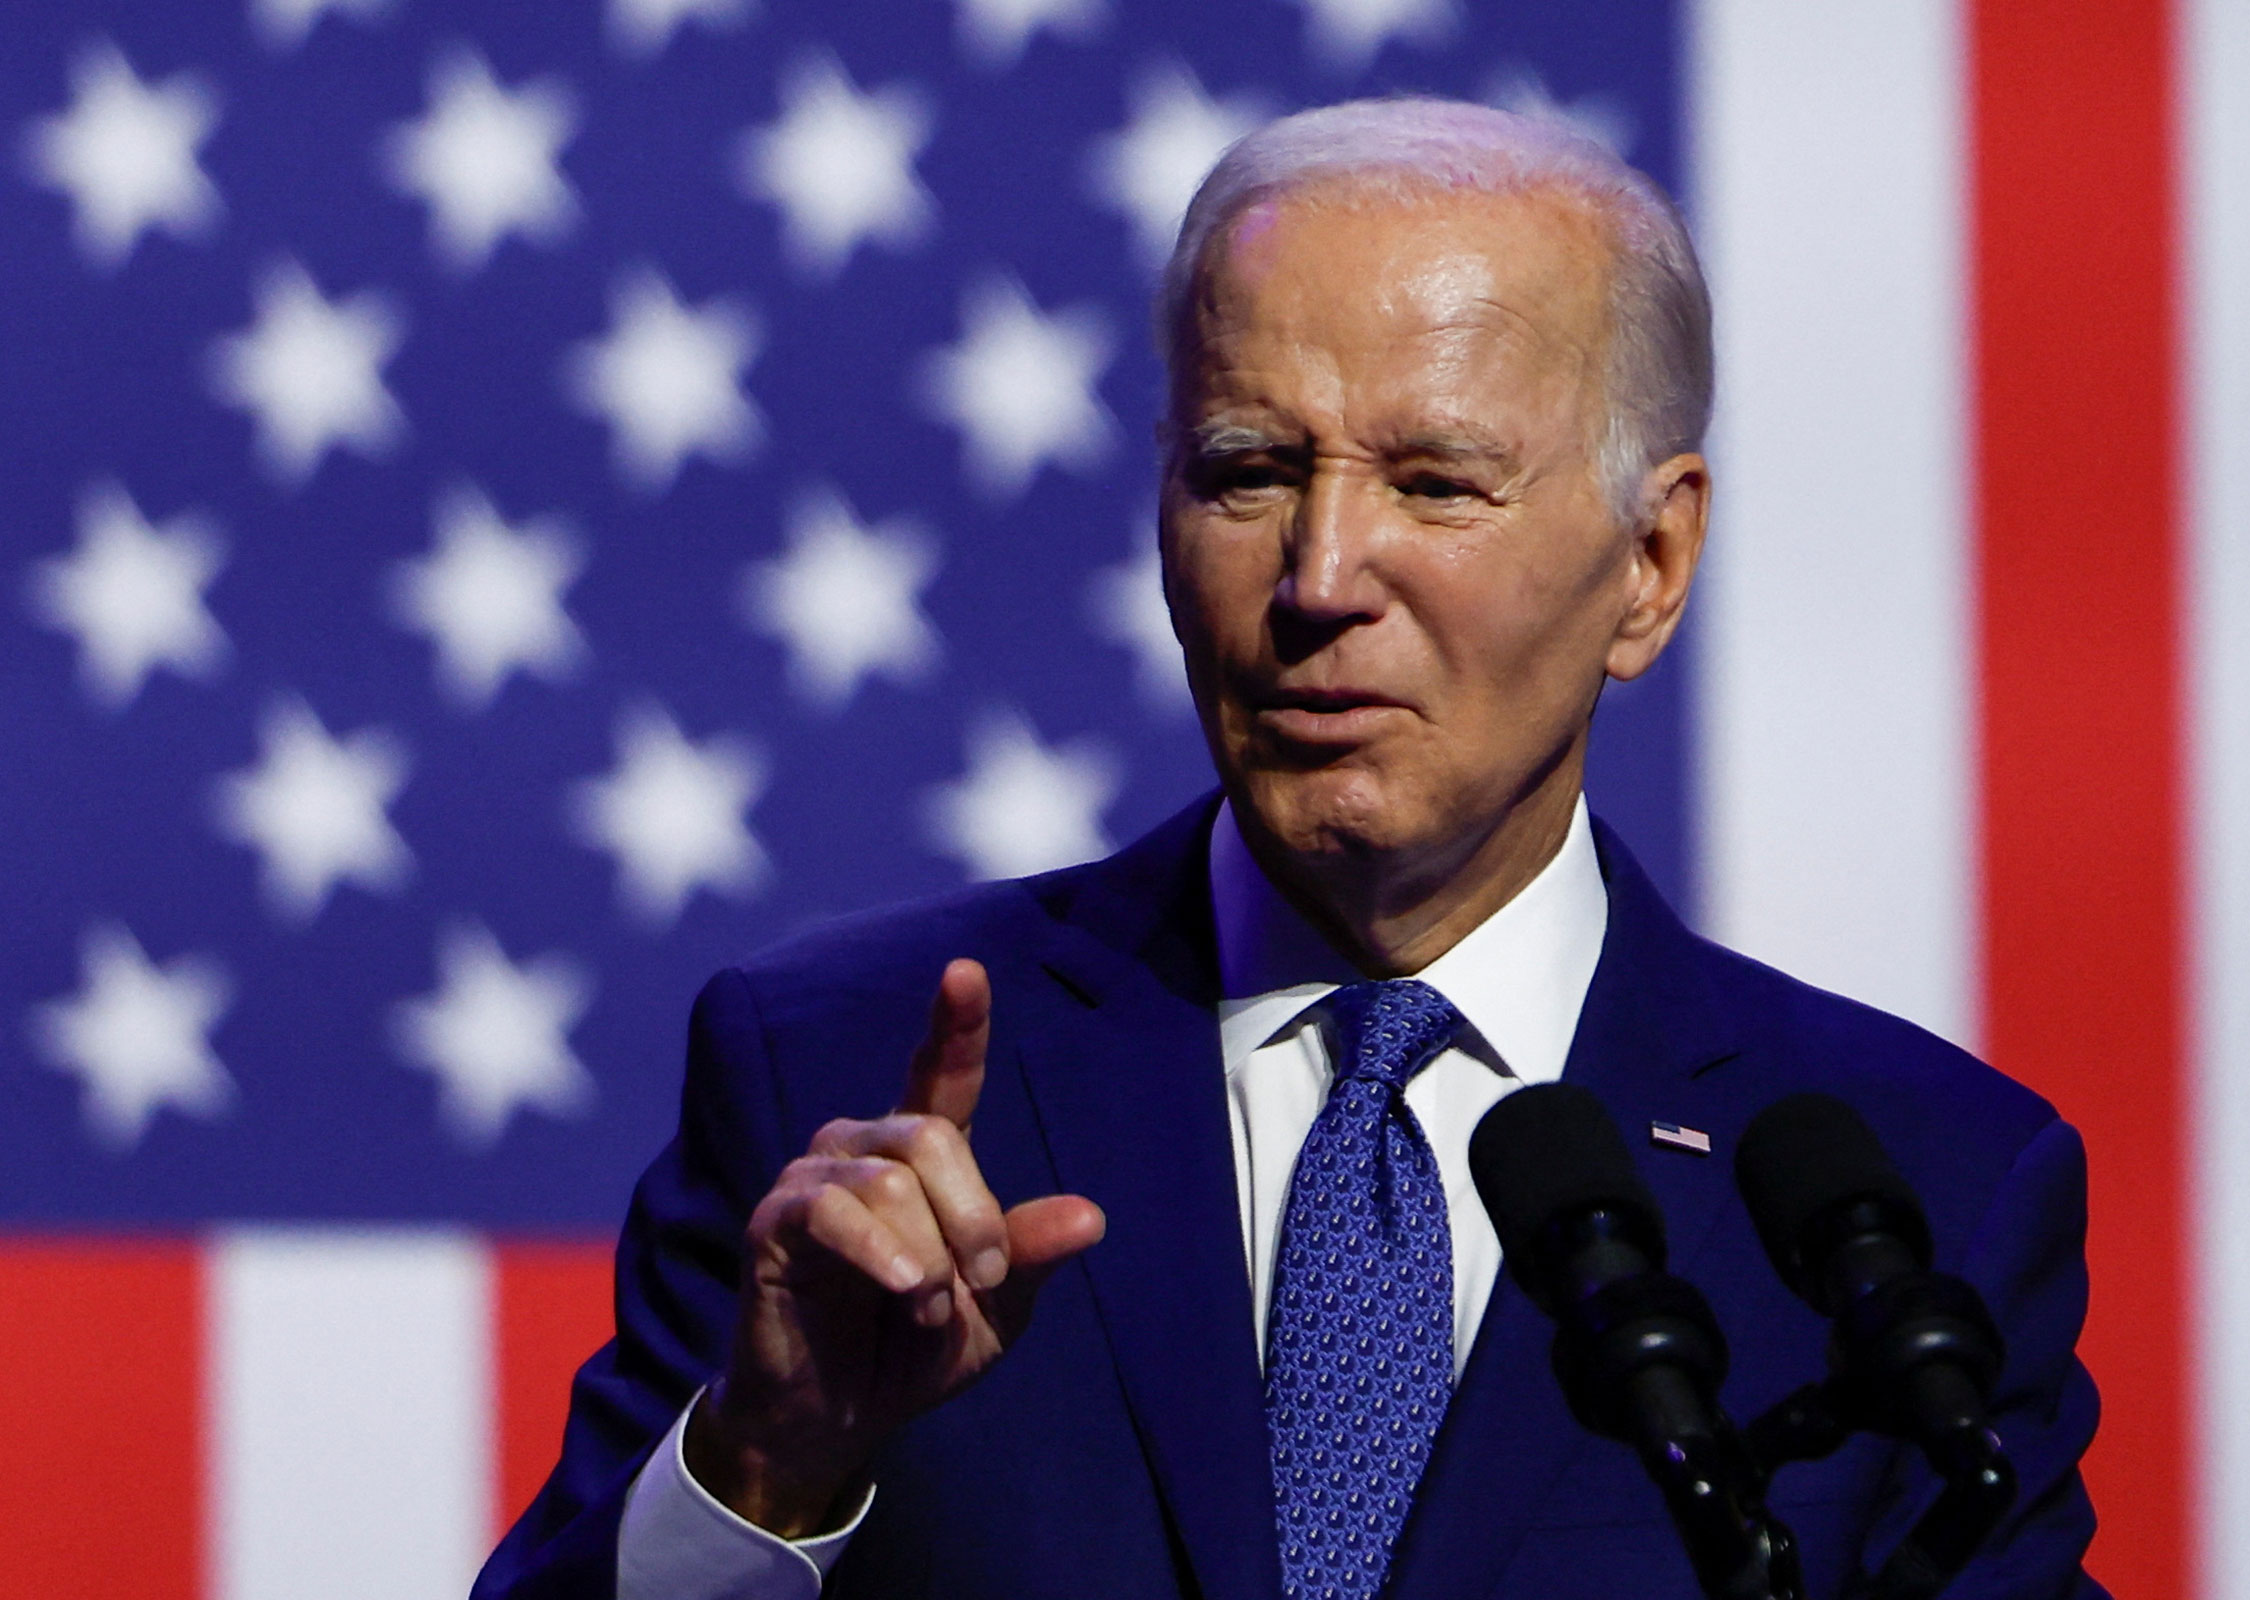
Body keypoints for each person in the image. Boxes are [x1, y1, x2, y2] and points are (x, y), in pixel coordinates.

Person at [477, 98, 2101, 1600]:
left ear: (1652, 562)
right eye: (1249, 471)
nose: (1321, 574)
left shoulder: (1922, 1195)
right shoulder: (835, 1074)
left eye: (1435, 483)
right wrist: (769, 1469)